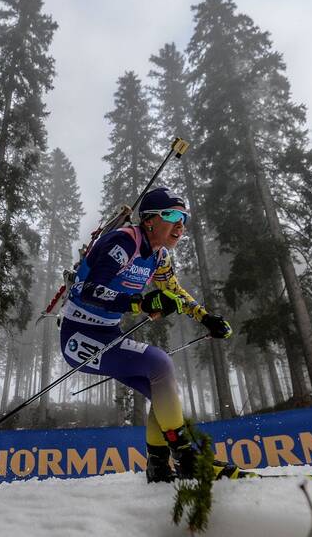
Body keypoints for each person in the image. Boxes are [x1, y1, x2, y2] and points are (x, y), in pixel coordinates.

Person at [60, 187, 252, 482]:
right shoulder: (124, 242)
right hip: (79, 335)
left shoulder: (159, 256)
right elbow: (88, 290)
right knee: (159, 363)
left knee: (161, 390)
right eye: (173, 216)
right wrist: (139, 303)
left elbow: (173, 291)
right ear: (149, 220)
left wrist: (205, 318)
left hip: (108, 334)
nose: (181, 225)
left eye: (184, 218)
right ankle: (188, 458)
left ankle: (159, 465)